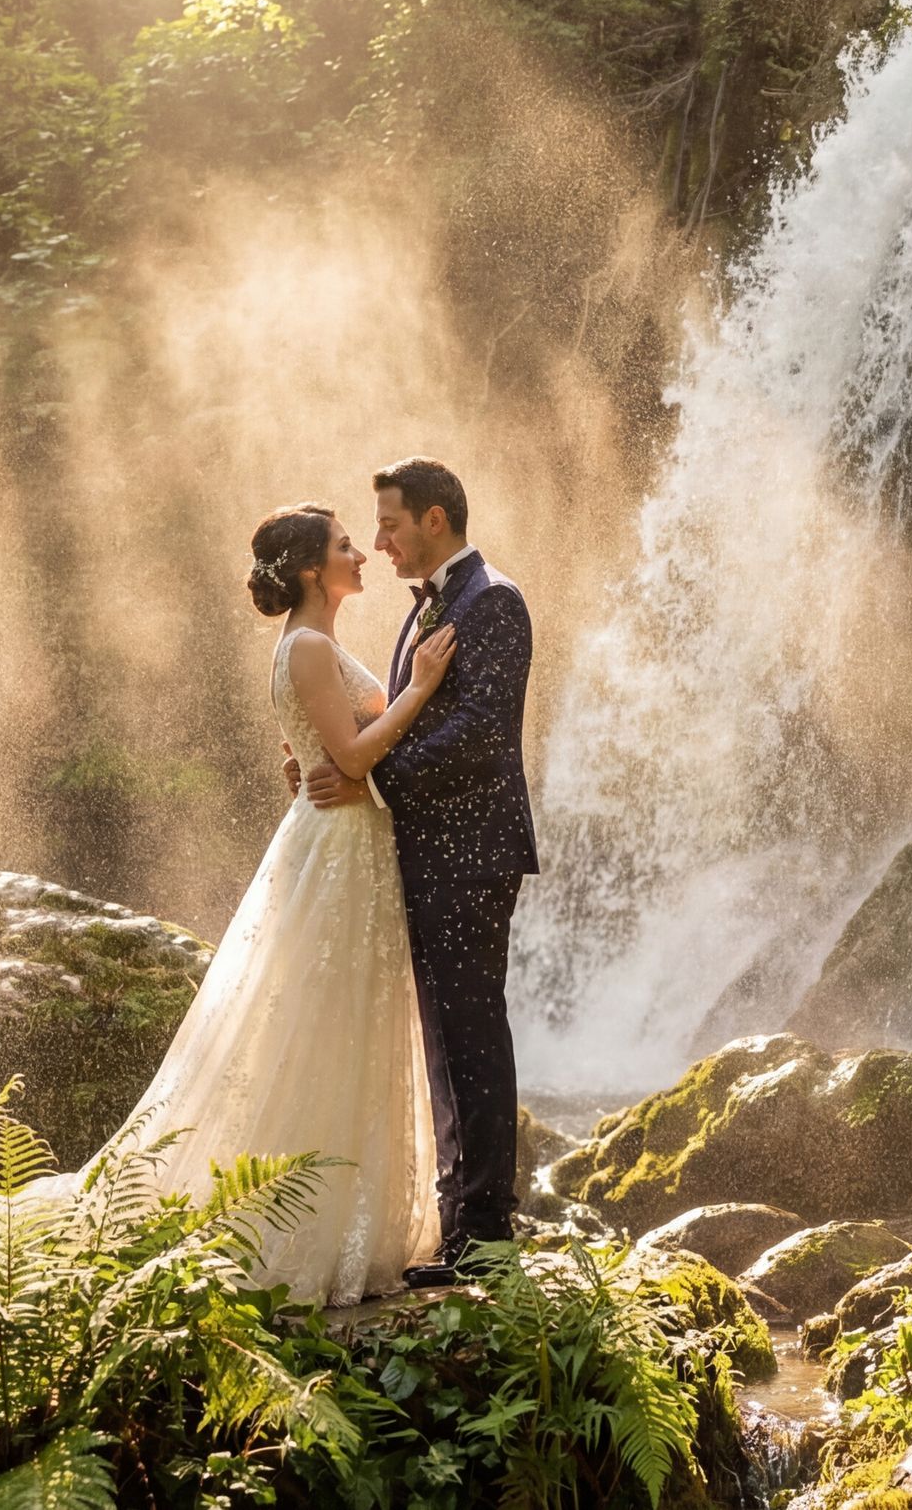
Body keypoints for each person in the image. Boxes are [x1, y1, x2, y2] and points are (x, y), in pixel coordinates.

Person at [103, 500, 456, 1304]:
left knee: (347, 1026)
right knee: (323, 1025)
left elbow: (330, 751)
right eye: (342, 546)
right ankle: (301, 1223)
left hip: (347, 845)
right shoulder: (304, 646)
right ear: (308, 569)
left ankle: (353, 1213)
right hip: (336, 853)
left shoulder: (316, 643)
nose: (361, 554)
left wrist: (315, 763)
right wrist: (425, 684)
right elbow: (356, 751)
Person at [292, 457, 536, 1285]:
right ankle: (459, 1226)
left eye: (390, 522)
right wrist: (331, 762)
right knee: (445, 1042)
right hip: (430, 854)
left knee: (472, 1036)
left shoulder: (492, 600)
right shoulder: (433, 607)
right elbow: (389, 717)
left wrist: (371, 777)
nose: (379, 540)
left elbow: (479, 729)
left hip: (472, 857)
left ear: (435, 519)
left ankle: (488, 1237)